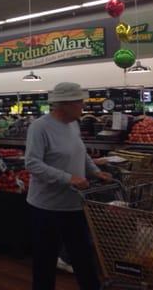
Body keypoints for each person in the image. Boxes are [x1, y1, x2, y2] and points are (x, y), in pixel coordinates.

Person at [25, 82, 112, 290]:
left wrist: (95, 171)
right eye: (79, 102)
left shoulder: (74, 124)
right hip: (46, 207)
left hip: (73, 204)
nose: (83, 106)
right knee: (45, 262)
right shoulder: (40, 127)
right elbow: (32, 163)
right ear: (64, 104)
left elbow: (79, 153)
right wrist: (68, 178)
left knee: (83, 257)